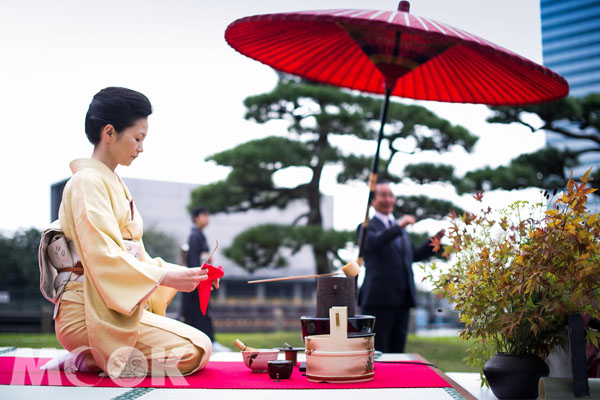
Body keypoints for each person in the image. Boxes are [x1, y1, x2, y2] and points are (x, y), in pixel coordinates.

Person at [42, 87, 218, 378]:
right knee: (195, 348)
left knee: (197, 346)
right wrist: (168, 277)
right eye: (138, 138)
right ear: (109, 132)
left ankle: (94, 357)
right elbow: (104, 257)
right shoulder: (86, 183)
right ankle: (93, 356)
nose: (141, 147)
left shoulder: (111, 182)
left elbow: (139, 258)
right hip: (87, 311)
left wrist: (190, 276)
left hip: (108, 308)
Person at [357, 182, 444, 353]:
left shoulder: (401, 232)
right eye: (383, 195)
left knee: (398, 350)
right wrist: (399, 225)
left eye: (390, 195)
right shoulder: (366, 227)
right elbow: (374, 243)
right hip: (378, 300)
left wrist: (434, 242)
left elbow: (413, 255)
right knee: (379, 350)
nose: (388, 199)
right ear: (373, 201)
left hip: (402, 299)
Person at [180, 207, 230, 352]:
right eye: (204, 215)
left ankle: (208, 341)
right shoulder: (195, 236)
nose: (207, 219)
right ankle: (208, 342)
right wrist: (198, 277)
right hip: (196, 282)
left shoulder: (199, 235)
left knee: (201, 311)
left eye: (208, 215)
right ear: (196, 218)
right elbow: (194, 261)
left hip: (200, 280)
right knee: (197, 313)